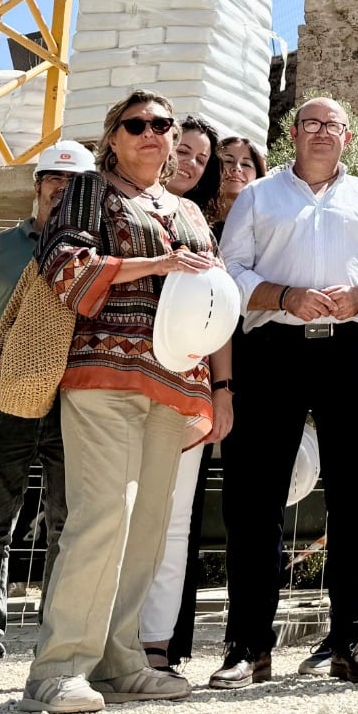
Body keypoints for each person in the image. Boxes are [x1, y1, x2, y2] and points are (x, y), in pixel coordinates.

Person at [19, 91, 221, 713]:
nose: (153, 134)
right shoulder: (88, 190)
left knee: (148, 526)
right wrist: (156, 263)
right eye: (138, 125)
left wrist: (219, 386)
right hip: (102, 375)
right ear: (113, 137)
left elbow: (211, 296)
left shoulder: (187, 209)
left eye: (163, 125)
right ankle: (58, 670)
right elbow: (64, 267)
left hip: (174, 380)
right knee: (104, 514)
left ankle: (119, 660)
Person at [213, 98, 358, 687]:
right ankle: (248, 646)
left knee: (352, 501)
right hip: (272, 353)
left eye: (332, 126)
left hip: (350, 349)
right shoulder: (257, 196)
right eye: (311, 124)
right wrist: (284, 297)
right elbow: (231, 272)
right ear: (293, 133)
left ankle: (353, 640)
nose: (322, 133)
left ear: (348, 137)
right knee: (259, 503)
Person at [0, 141, 95, 696]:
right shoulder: (0, 249)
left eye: (75, 182)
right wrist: (12, 369)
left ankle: (52, 656)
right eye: (54, 178)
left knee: (67, 530)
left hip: (73, 410)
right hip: (0, 408)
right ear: (38, 182)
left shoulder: (92, 251)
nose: (62, 188)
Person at [137, 119, 238, 679]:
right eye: (187, 151)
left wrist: (222, 390)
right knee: (117, 515)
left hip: (186, 388)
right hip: (121, 384)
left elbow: (219, 315)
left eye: (204, 158)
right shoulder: (115, 207)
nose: (192, 163)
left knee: (175, 522)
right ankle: (106, 641)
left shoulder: (199, 225)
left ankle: (156, 644)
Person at [208, 136, 268, 240]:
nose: (236, 168)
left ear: (257, 175)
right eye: (228, 161)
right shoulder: (193, 214)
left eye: (246, 164)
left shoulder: (265, 226)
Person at [168, 115, 221, 219]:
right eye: (183, 152)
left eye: (200, 160)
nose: (192, 162)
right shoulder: (129, 202)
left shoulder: (199, 224)